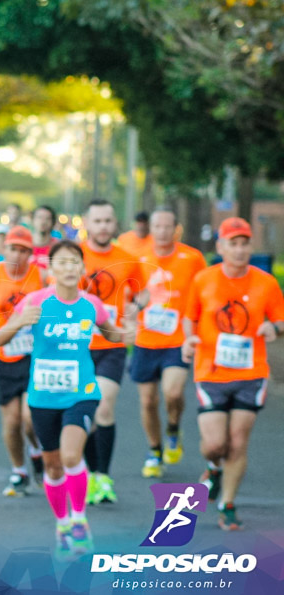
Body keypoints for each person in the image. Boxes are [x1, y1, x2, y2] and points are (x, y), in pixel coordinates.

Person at [0, 240, 128, 559]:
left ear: (83, 269)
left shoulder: (92, 304)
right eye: (62, 262)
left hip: (81, 393)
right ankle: (62, 523)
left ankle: (80, 519)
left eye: (75, 262)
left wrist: (130, 330)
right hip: (42, 395)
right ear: (50, 268)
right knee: (53, 467)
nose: (69, 268)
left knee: (71, 456)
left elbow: (111, 333)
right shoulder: (35, 301)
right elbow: (0, 341)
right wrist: (18, 321)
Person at [182, 217, 284, 531]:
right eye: (233, 244)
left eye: (244, 244)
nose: (240, 250)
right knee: (216, 444)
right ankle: (213, 468)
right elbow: (190, 318)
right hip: (211, 372)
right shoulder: (203, 280)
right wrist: (189, 339)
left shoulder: (266, 283)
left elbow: (281, 320)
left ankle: (227, 503)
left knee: (238, 442)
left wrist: (273, 327)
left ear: (251, 246)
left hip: (250, 373)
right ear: (221, 246)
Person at [129, 208, 206, 480]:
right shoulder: (138, 258)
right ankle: (154, 450)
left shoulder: (192, 258)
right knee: (148, 400)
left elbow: (204, 293)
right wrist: (135, 302)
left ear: (176, 229)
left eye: (167, 226)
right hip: (145, 339)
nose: (162, 231)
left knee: (172, 392)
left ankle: (173, 428)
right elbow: (128, 292)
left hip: (178, 339)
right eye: (157, 226)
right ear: (150, 228)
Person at [0, 225, 45, 495]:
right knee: (12, 421)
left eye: (24, 250)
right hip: (2, 354)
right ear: (4, 249)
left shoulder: (41, 276)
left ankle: (36, 451)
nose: (17, 255)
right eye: (13, 248)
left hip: (33, 355)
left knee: (29, 418)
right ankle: (19, 470)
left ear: (30, 254)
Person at [79, 199, 144, 505]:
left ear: (115, 224)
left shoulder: (128, 259)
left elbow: (143, 293)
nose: (103, 226)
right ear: (87, 224)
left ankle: (103, 476)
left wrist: (136, 307)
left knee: (104, 405)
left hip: (112, 345)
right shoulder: (74, 257)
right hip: (77, 347)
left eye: (108, 220)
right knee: (84, 411)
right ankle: (90, 474)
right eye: (98, 221)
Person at [30, 205, 59, 270]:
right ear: (33, 220)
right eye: (39, 217)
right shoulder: (24, 245)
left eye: (47, 218)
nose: (43, 222)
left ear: (53, 223)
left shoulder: (57, 248)